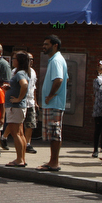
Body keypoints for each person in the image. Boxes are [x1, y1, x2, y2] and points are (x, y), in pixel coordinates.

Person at [37, 35, 68, 172]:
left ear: (55, 45)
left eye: (46, 44)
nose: (44, 46)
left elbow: (59, 80)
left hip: (54, 103)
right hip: (53, 103)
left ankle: (54, 162)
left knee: (55, 133)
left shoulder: (56, 60)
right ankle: (52, 161)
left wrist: (50, 96)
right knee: (53, 133)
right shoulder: (56, 60)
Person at [4, 51, 30, 167]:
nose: (12, 60)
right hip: (18, 107)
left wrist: (18, 98)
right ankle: (22, 158)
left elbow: (24, 85)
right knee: (20, 133)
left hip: (15, 107)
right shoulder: (22, 72)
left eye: (14, 58)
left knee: (16, 134)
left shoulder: (20, 73)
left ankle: (19, 159)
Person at [91, 62, 102, 159]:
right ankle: (95, 149)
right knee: (98, 129)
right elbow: (97, 90)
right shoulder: (96, 81)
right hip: (98, 107)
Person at [24, 53, 39, 154]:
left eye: (32, 59)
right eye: (29, 59)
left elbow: (34, 87)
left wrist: (35, 102)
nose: (31, 61)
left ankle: (27, 144)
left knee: (30, 124)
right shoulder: (17, 71)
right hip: (21, 102)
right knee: (17, 125)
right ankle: (4, 137)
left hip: (30, 101)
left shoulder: (33, 72)